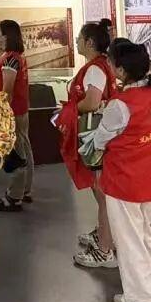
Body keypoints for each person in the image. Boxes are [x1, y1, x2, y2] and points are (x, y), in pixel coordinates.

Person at [85, 41, 151, 302]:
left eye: (111, 62)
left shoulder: (120, 104)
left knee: (129, 239)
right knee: (144, 232)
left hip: (126, 178)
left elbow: (101, 139)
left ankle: (142, 300)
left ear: (121, 70)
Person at [57, 23, 118, 268]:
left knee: (102, 191)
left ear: (90, 42)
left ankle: (106, 249)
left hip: (96, 135)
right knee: (100, 188)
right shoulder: (101, 65)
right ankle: (104, 233)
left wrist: (69, 109)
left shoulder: (94, 69)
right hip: (99, 134)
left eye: (79, 38)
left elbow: (92, 102)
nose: (77, 42)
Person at [0, 20, 33, 211]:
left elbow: (7, 91)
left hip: (12, 112)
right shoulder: (16, 57)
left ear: (7, 36)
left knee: (17, 153)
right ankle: (25, 189)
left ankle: (15, 195)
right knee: (24, 147)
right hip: (20, 110)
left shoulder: (10, 60)